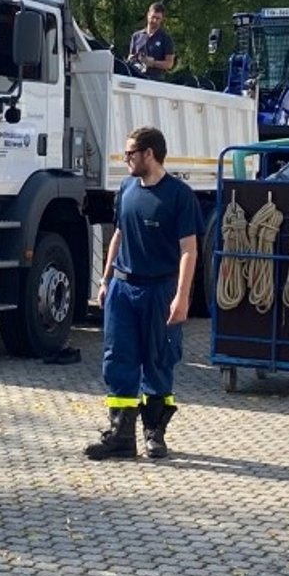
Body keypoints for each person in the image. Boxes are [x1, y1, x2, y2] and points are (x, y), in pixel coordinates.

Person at [86, 125, 203, 461]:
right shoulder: (125, 189)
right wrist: (106, 279)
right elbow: (118, 236)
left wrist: (181, 297)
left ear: (149, 154)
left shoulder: (179, 196)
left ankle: (155, 434)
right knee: (118, 359)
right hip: (123, 288)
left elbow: (189, 251)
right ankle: (120, 437)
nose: (126, 160)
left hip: (159, 290)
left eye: (130, 154)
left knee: (158, 359)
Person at [127, 3, 176, 80]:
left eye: (158, 18)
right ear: (148, 15)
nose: (154, 20)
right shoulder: (136, 36)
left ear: (162, 19)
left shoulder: (165, 38)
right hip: (136, 78)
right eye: (153, 17)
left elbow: (169, 64)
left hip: (155, 81)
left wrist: (153, 63)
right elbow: (131, 57)